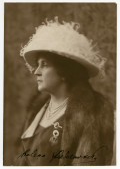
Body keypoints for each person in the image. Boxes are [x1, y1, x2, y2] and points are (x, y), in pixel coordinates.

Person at [16, 18, 114, 166]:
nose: (36, 71)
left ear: (64, 71)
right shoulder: (37, 110)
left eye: (44, 64)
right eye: (37, 65)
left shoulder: (92, 113)